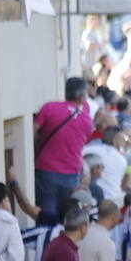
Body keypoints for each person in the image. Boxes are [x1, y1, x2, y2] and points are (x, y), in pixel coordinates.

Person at [34, 77, 96, 214]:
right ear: (81, 97)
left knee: (47, 216)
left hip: (46, 170)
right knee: (67, 215)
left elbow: (33, 129)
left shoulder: (49, 108)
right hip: (71, 174)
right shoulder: (86, 120)